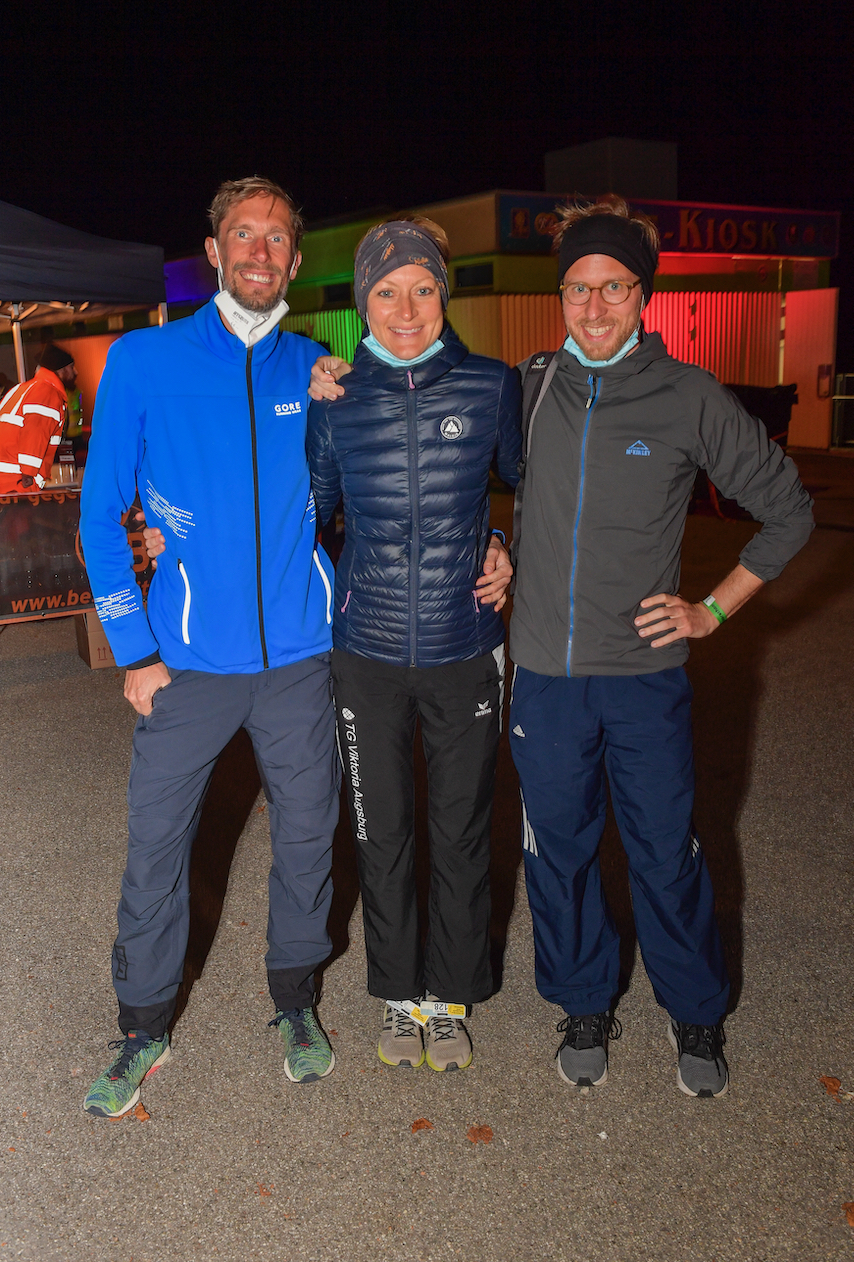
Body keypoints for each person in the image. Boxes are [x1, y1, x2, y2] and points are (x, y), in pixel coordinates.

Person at [508, 195, 814, 1097]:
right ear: (558, 297)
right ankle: (582, 998)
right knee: (557, 850)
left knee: (663, 849)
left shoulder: (689, 395)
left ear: (643, 295)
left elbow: (789, 510)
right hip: (544, 677)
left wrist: (712, 611)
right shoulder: (529, 386)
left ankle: (697, 1011)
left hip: (644, 677)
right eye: (576, 289)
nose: (593, 308)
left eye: (612, 288)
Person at [79, 177, 340, 1118]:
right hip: (184, 662)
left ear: (295, 261)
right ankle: (142, 1025)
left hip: (302, 659)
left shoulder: (314, 369)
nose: (262, 252)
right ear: (215, 249)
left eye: (278, 239)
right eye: (245, 235)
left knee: (310, 837)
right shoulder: (144, 361)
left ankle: (296, 1003)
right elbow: (101, 520)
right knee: (157, 846)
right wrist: (134, 648)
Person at [305, 218, 521, 1071]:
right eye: (387, 291)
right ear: (364, 302)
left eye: (423, 288)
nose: (406, 308)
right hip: (366, 651)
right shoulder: (336, 397)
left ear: (444, 295)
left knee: (463, 826)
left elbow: (534, 489)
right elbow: (311, 518)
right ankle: (400, 996)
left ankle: (448, 997)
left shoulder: (491, 385)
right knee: (381, 828)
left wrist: (508, 549)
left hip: (466, 643)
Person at [0, 343, 77, 492]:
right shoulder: (47, 391)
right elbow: (35, 431)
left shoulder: (22, 388)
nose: (75, 372)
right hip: (15, 483)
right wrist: (28, 474)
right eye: (71, 367)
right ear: (61, 370)